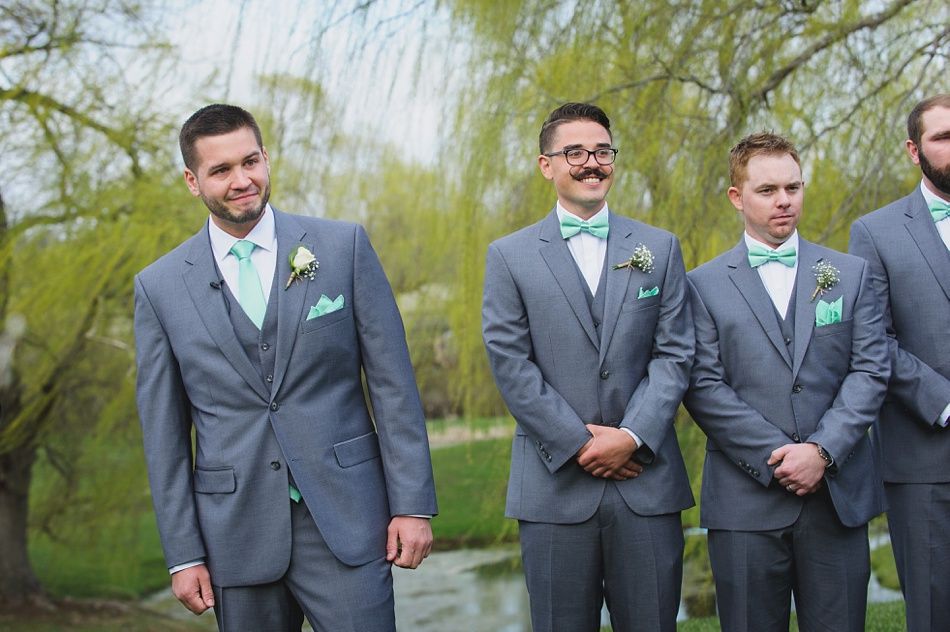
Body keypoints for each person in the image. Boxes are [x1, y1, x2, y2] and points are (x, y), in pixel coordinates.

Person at [133, 103, 437, 632]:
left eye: (250, 161)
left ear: (266, 158)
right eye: (221, 170)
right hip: (236, 535)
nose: (241, 180)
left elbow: (392, 384)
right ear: (192, 180)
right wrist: (183, 554)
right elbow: (164, 435)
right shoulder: (158, 288)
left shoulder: (343, 247)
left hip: (348, 521)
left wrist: (413, 504)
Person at [481, 102, 695, 632]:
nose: (591, 163)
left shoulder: (659, 248)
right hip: (554, 490)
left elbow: (675, 354)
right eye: (574, 152)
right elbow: (511, 363)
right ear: (546, 165)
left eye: (602, 151)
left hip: (646, 483)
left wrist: (632, 435)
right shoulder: (509, 256)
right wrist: (579, 443)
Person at [684, 132, 889, 631]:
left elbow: (870, 369)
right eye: (768, 189)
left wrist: (821, 452)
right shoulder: (700, 285)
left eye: (793, 188)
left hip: (836, 496)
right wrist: (779, 457)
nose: (784, 201)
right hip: (745, 500)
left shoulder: (849, 274)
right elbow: (703, 385)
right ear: (737, 197)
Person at [849, 94, 950, 632]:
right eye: (943, 137)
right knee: (934, 612)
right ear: (914, 150)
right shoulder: (876, 232)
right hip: (925, 459)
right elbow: (873, 343)